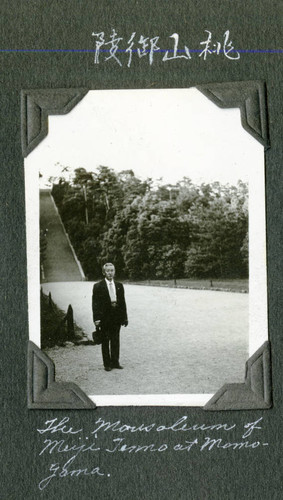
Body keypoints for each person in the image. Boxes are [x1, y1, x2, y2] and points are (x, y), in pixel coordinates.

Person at [92, 263, 128, 371]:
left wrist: (124, 317)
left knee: (115, 340)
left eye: (112, 270)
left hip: (116, 317)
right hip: (104, 318)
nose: (110, 273)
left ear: (114, 272)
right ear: (104, 272)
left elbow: (122, 303)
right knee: (105, 340)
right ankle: (107, 364)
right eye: (108, 271)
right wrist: (96, 319)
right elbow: (95, 304)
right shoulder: (98, 286)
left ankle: (115, 362)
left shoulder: (119, 285)